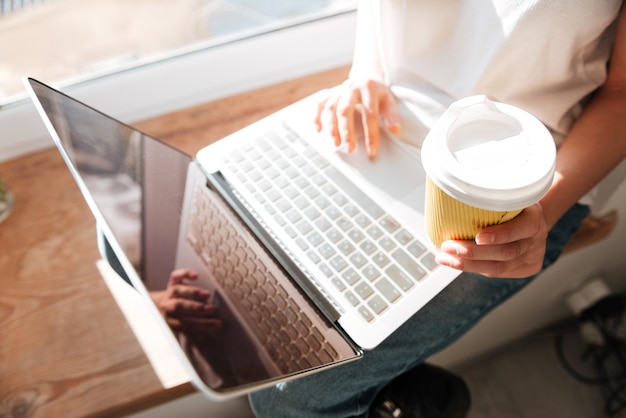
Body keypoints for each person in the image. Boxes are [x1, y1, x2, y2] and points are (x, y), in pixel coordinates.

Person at [249, 1, 626, 417]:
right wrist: (367, 71)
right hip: (387, 118)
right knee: (257, 312)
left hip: (520, 184)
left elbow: (622, 94)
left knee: (289, 393)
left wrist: (543, 214)